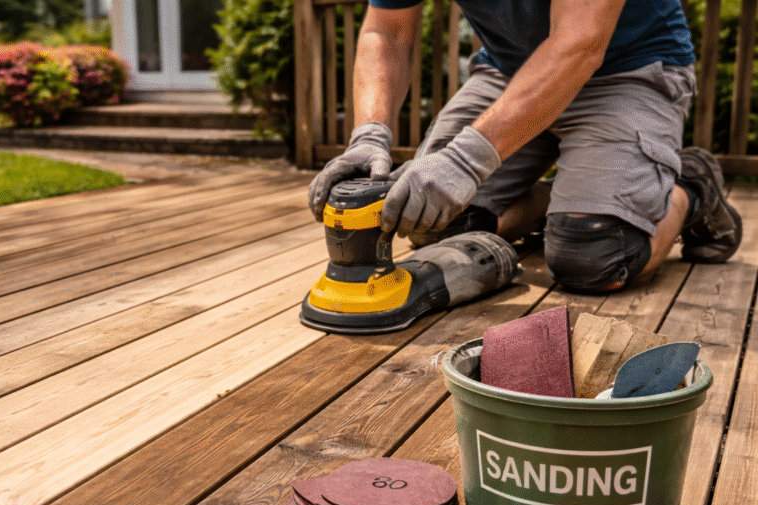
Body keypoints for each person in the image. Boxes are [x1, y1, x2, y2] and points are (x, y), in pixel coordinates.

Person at [308, 0, 743, 292]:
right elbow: (387, 31)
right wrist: (369, 135)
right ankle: (571, 199)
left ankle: (691, 185)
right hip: (509, 75)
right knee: (429, 220)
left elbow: (580, 41)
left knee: (595, 255)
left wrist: (463, 162)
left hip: (628, 71)